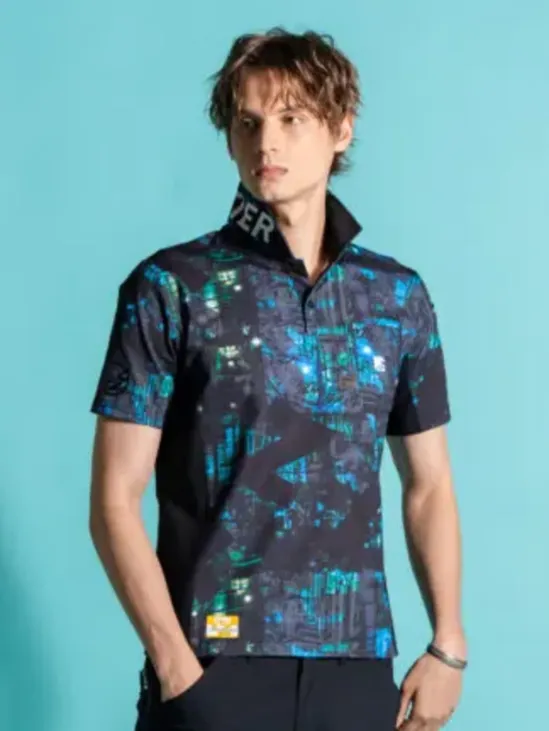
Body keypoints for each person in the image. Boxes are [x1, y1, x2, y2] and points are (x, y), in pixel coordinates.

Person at [89, 27, 467, 731]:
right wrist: (175, 668)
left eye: (292, 118)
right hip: (212, 662)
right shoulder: (171, 287)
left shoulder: (395, 297)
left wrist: (448, 643)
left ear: (340, 129)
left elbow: (429, 483)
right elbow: (115, 498)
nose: (267, 142)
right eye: (248, 122)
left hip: (356, 666)